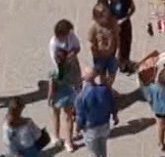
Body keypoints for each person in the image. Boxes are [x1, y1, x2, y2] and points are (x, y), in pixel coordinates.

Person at [49, 21, 83, 150]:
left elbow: (78, 47)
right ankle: (61, 138)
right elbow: (57, 66)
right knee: (64, 114)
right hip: (66, 81)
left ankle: (64, 139)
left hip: (68, 74)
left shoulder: (71, 37)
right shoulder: (54, 44)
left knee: (61, 112)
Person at [74, 70, 117, 157]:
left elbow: (81, 116)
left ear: (84, 78)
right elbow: (112, 104)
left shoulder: (81, 97)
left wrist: (77, 128)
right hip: (104, 125)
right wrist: (115, 116)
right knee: (103, 150)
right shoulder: (105, 90)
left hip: (90, 128)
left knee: (94, 153)